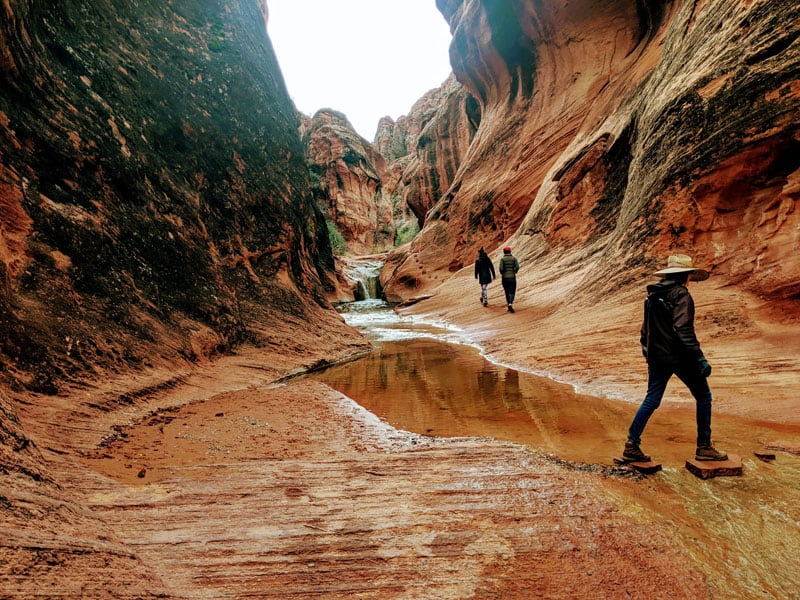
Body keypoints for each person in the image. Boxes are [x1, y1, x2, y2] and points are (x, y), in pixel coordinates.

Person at [622, 254, 728, 463]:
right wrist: (699, 358)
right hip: (680, 357)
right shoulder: (681, 295)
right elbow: (683, 329)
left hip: (657, 357)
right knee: (703, 396)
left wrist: (647, 350)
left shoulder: (652, 295)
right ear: (686, 276)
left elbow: (646, 330)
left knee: (651, 399)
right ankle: (704, 447)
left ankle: (631, 445)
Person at [497, 246, 519, 312]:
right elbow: (517, 266)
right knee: (512, 291)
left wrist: (503, 273)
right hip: (512, 277)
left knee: (506, 291)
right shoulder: (514, 258)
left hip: (505, 278)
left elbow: (501, 268)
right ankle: (510, 303)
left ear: (504, 252)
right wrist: (514, 271)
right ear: (510, 251)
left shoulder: (502, 259)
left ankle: (508, 304)